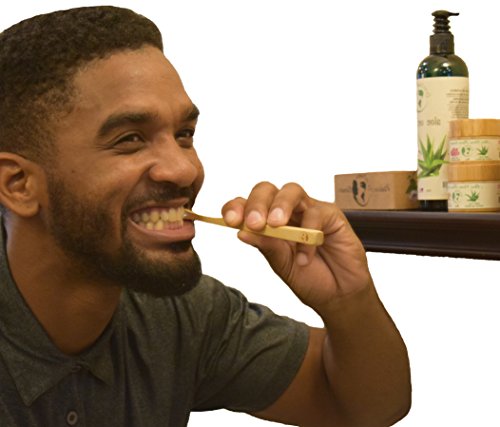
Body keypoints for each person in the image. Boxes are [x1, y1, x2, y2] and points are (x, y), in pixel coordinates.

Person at [0, 6, 411, 426]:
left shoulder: (180, 313)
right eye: (130, 139)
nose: (184, 169)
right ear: (18, 185)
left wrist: (347, 301)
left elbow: (365, 406)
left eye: (184, 135)